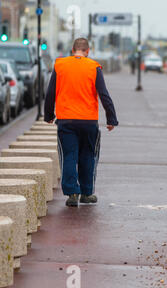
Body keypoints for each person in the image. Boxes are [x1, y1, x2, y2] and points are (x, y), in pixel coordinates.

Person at [44, 38, 119, 207]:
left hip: (66, 120)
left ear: (72, 50)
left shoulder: (60, 65)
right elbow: (104, 94)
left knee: (69, 155)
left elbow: (50, 93)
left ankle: (72, 194)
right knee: (88, 156)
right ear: (88, 51)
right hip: (88, 121)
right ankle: (86, 193)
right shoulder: (94, 67)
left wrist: (49, 115)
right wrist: (111, 118)